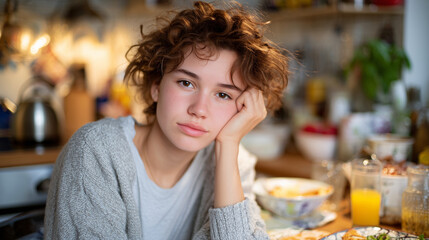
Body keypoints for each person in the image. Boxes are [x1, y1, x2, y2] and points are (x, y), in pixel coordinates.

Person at [44, 1, 289, 239]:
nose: (199, 109)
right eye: (186, 83)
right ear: (156, 87)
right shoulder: (96, 150)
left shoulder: (234, 161)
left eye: (223, 95)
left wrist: (228, 146)